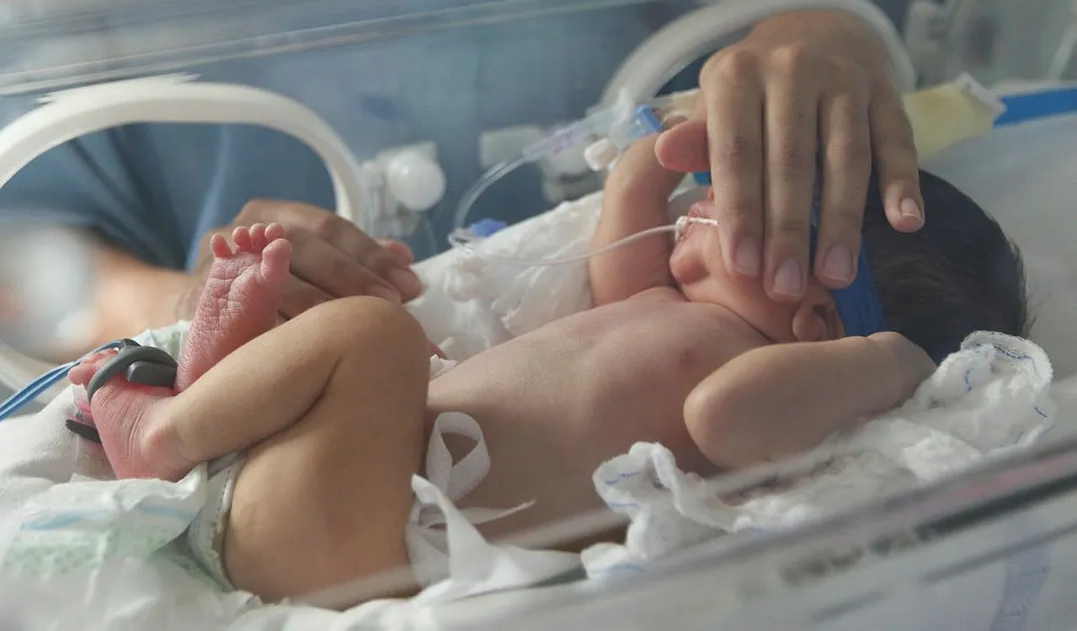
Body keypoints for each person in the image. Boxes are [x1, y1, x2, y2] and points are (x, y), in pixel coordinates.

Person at [65, 116, 1027, 605]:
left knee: (377, 337)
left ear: (816, 308)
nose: (704, 195)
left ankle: (168, 426)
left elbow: (726, 426)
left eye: (751, 203)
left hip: (359, 548)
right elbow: (620, 258)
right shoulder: (664, 305)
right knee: (359, 327)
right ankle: (214, 381)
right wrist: (648, 159)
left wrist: (892, 361)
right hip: (336, 479)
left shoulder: (757, 374)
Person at [0, 7, 927, 361]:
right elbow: (25, 259)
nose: (698, 219)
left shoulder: (698, 323)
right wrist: (187, 301)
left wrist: (820, 34)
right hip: (263, 343)